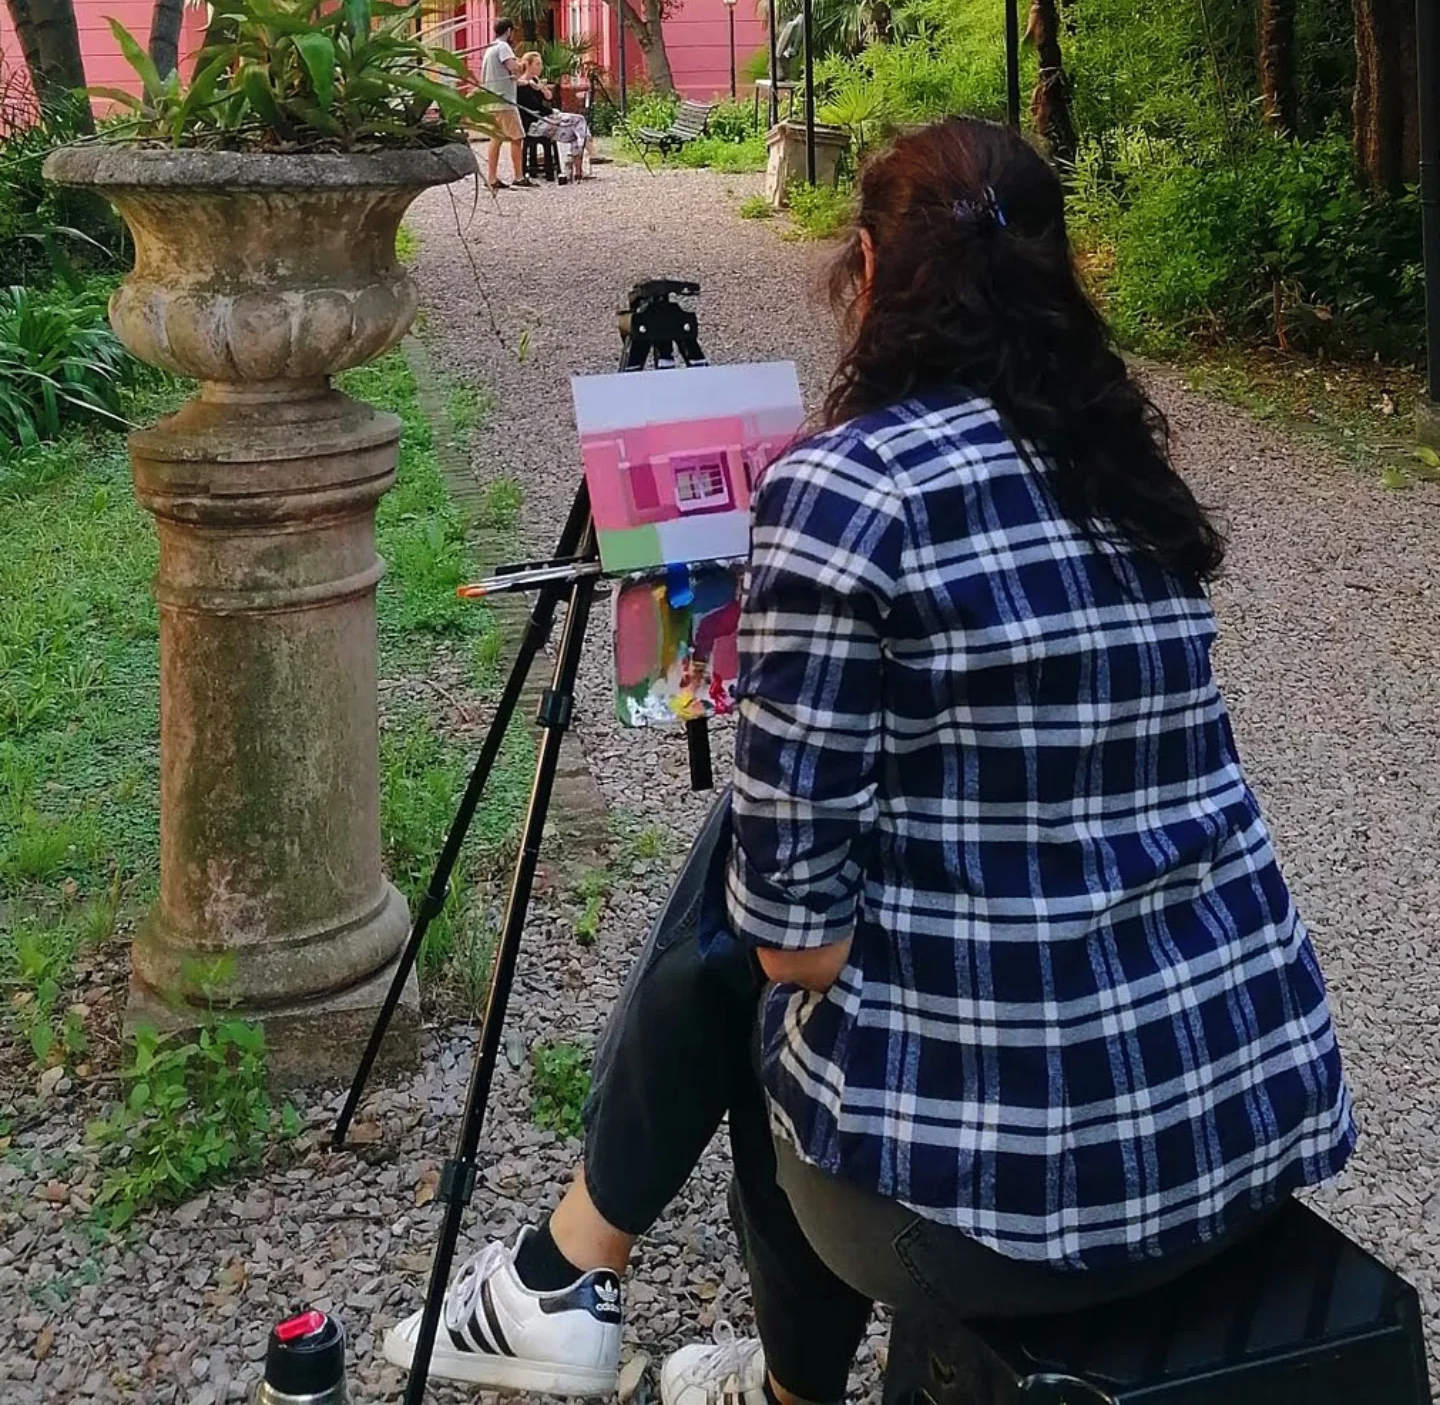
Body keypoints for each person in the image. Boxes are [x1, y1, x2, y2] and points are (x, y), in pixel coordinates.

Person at [384, 118, 1356, 1404]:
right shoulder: (1132, 472)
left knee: (772, 964)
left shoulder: (842, 487)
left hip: (1017, 1225)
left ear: (867, 268)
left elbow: (797, 950)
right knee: (774, 882)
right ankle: (578, 1277)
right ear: (1062, 277)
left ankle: (645, 1313)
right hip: (1239, 1138)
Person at [516, 52, 594, 182]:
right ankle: (590, 154)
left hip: (544, 117)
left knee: (576, 131)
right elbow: (534, 107)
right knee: (579, 120)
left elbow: (548, 97)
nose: (541, 67)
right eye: (537, 64)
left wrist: (542, 88)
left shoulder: (535, 81)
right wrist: (552, 111)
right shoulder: (522, 85)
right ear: (528, 65)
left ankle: (577, 170)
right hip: (534, 123)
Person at [480, 18, 531, 192]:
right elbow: (513, 68)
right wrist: (522, 65)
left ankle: (492, 177)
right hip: (505, 101)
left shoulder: (490, 49)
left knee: (496, 138)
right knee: (517, 138)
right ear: (509, 31)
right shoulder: (503, 47)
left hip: (492, 99)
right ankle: (519, 176)